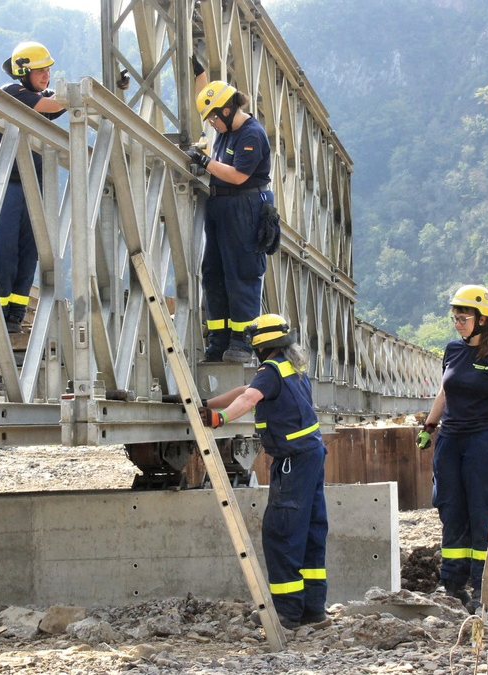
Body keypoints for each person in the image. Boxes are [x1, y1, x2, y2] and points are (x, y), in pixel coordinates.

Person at [197, 313, 328, 629]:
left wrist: (219, 420)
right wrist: (206, 403)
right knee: (310, 530)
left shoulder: (270, 371)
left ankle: (286, 613)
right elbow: (246, 390)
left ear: (260, 343)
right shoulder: (290, 368)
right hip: (310, 456)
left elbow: (250, 397)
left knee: (281, 531)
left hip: (292, 460)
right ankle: (313, 610)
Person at [417, 284, 488, 613]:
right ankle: (452, 584)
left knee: (481, 512)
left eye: (464, 317)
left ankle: (481, 586)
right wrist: (429, 426)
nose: (458, 322)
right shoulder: (452, 350)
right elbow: (444, 393)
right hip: (451, 441)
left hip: (483, 442)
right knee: (451, 511)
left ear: (484, 320)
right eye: (455, 316)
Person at [187, 60, 273, 364]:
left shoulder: (251, 134)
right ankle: (219, 341)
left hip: (244, 207)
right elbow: (209, 95)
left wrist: (205, 162)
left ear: (226, 110)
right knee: (214, 274)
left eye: (213, 117)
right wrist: (199, 75)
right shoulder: (225, 126)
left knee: (241, 275)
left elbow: (238, 176)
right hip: (221, 206)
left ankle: (242, 342)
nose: (211, 124)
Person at [0, 41, 66, 333]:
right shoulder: (13, 94)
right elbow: (57, 104)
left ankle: (15, 315)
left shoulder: (39, 97)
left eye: (48, 70)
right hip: (8, 187)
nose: (46, 75)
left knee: (29, 254)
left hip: (35, 188)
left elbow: (58, 102)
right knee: (5, 252)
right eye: (40, 71)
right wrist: (75, 96)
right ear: (24, 73)